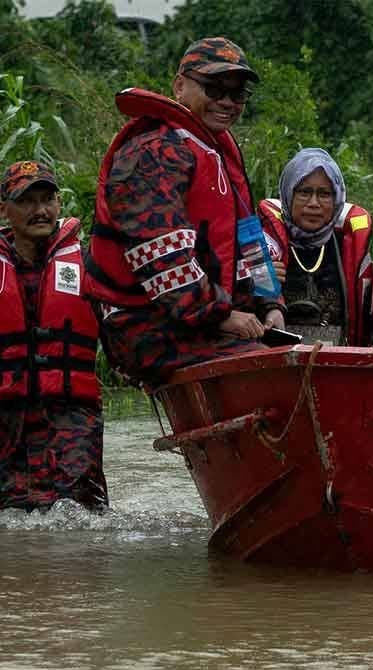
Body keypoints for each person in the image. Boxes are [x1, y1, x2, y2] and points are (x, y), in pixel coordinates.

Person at [84, 37, 284, 386]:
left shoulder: (218, 151)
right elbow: (160, 254)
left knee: (292, 354)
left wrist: (271, 304)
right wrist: (220, 316)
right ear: (180, 85)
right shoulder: (154, 151)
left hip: (200, 320)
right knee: (275, 371)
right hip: (147, 326)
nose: (226, 102)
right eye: (213, 88)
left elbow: (250, 238)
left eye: (237, 94)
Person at [0, 161, 107, 511]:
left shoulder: (88, 264)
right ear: (4, 210)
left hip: (71, 422)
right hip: (7, 427)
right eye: (27, 202)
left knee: (81, 521)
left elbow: (122, 332)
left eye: (48, 199)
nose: (41, 210)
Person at [257, 148, 373, 345]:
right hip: (274, 362)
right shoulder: (261, 245)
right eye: (304, 192)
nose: (313, 203)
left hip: (336, 365)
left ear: (337, 199)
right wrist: (256, 279)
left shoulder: (349, 248)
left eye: (324, 194)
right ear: (288, 194)